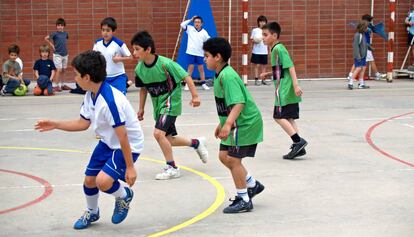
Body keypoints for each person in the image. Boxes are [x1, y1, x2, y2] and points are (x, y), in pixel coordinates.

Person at [34, 50, 144, 229]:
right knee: (89, 180)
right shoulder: (90, 94)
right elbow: (82, 123)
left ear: (86, 77)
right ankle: (92, 212)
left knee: (103, 182)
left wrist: (130, 167)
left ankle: (124, 195)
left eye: (76, 75)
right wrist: (55, 124)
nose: (75, 78)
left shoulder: (110, 101)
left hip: (127, 145)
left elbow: (123, 135)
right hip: (109, 141)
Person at [131, 31, 208, 180]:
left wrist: (195, 96)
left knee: (158, 134)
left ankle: (172, 167)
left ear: (148, 49)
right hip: (158, 105)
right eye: (133, 49)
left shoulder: (166, 64)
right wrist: (141, 109)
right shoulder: (139, 69)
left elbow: (186, 76)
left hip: (171, 102)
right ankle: (196, 143)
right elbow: (143, 89)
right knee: (168, 139)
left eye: (137, 49)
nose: (134, 53)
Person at [203, 37, 264, 213]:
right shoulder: (220, 75)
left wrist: (228, 124)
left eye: (206, 55)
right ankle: (252, 184)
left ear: (218, 57)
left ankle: (244, 199)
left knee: (234, 160)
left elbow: (238, 103)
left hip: (245, 123)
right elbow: (227, 104)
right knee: (224, 156)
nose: (204, 59)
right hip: (235, 123)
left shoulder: (227, 76)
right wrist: (221, 123)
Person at [260, 22, 308, 159]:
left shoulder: (278, 49)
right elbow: (281, 69)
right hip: (286, 86)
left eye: (265, 35)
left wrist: (295, 85)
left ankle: (298, 141)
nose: (263, 38)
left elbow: (290, 66)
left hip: (284, 88)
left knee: (278, 117)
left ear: (274, 35)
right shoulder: (276, 49)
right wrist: (269, 74)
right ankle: (298, 146)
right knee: (289, 117)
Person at [93, 17, 133, 94]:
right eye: (103, 30)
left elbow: (130, 58)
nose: (105, 33)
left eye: (108, 30)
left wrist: (119, 59)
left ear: (114, 31)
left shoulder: (119, 44)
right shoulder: (97, 43)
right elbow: (94, 59)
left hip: (118, 77)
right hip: (103, 78)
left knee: (120, 101)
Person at [347, 14, 385, 81]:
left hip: (363, 46)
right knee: (370, 61)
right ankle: (377, 75)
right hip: (365, 47)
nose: (371, 21)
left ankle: (350, 75)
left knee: (359, 62)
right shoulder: (368, 28)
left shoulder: (362, 27)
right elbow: (370, 36)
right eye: (370, 20)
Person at [180, 15, 210, 91]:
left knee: (201, 69)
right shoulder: (189, 29)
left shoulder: (204, 32)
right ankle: (187, 84)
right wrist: (191, 19)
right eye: (195, 22)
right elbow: (182, 25)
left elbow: (209, 41)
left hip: (200, 53)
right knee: (190, 68)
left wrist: (206, 51)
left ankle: (203, 84)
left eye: (198, 22)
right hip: (190, 52)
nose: (197, 23)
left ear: (201, 23)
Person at [45, 18, 72, 92]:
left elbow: (64, 41)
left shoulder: (66, 34)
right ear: (56, 26)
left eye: (61, 25)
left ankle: (62, 85)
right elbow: (46, 38)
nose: (60, 27)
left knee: (63, 70)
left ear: (64, 26)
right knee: (59, 70)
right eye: (58, 25)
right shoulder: (54, 34)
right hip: (57, 54)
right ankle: (55, 85)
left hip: (65, 54)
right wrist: (52, 45)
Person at [347, 20, 370, 90]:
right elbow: (355, 46)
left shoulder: (363, 35)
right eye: (366, 27)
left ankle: (361, 83)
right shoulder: (357, 35)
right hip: (359, 55)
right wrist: (358, 56)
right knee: (358, 68)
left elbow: (364, 44)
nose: (367, 29)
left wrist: (370, 48)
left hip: (363, 55)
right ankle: (350, 82)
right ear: (363, 27)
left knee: (363, 68)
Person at [251, 15, 269, 86]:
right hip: (256, 51)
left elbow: (269, 40)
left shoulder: (267, 30)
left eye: (264, 22)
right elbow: (252, 39)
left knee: (264, 66)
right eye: (261, 22)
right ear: (258, 22)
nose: (262, 23)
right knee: (256, 66)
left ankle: (263, 80)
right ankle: (256, 79)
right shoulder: (255, 30)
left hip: (264, 51)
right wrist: (256, 40)